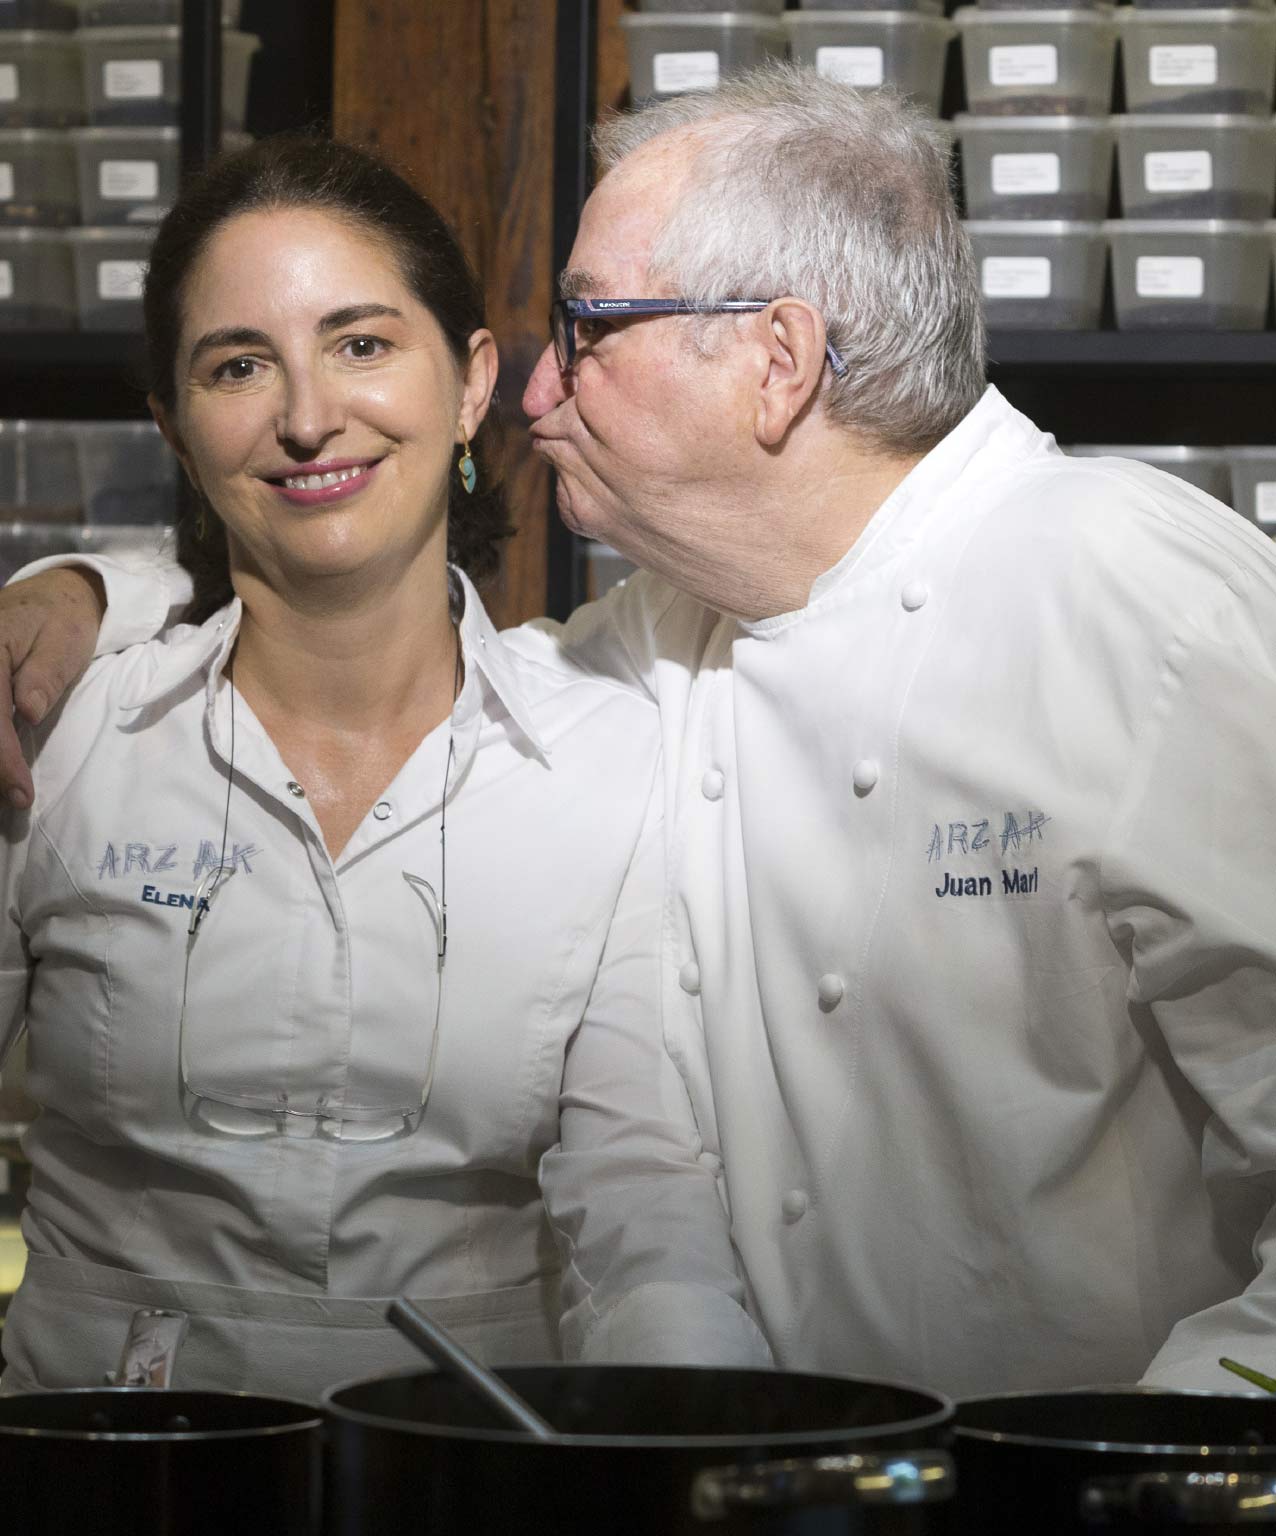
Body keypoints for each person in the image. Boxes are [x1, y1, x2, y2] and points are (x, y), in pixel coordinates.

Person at [5, 67, 1276, 1399]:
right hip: (797, 1495)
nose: (544, 393)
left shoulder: (1137, 595)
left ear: (778, 362)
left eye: (593, 327)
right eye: (240, 365)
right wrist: (91, 592)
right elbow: (358, 635)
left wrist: (1141, 1484)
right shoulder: (663, 641)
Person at [0, 133, 770, 1401]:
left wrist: (687, 1445)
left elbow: (641, 1198)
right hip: (109, 1492)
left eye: (362, 344)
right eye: (239, 366)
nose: (308, 418)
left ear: (471, 385)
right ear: (175, 428)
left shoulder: (608, 747)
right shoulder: (64, 728)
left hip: (464, 1485)